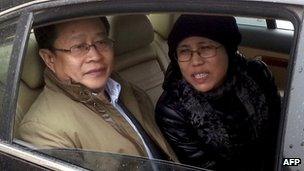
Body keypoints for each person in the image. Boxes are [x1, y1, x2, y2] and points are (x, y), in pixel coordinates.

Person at [16, 17, 177, 161]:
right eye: (78, 46)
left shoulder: (121, 87)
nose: (95, 56)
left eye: (101, 42)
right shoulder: (42, 131)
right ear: (49, 58)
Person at [155, 14, 281, 170]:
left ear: (228, 50)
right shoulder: (172, 109)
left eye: (206, 48)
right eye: (184, 51)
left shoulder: (257, 73)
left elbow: (280, 131)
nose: (196, 61)